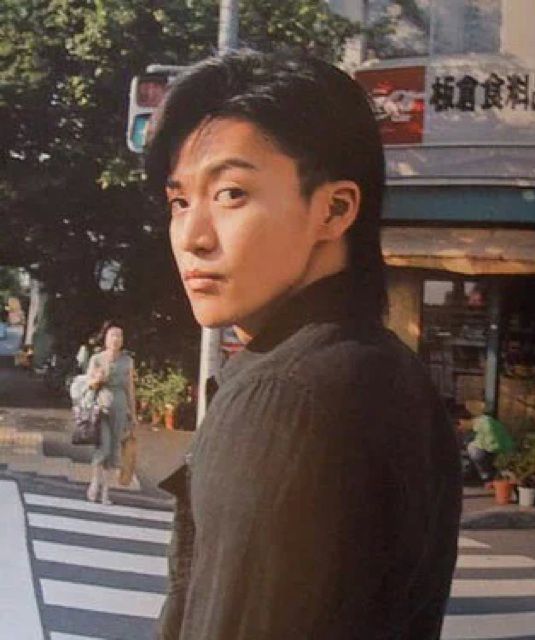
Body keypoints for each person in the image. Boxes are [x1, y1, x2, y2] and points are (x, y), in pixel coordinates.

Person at [146, 51, 462, 640]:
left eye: (231, 193)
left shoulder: (284, 398)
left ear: (334, 210)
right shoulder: (390, 370)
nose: (192, 236)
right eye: (180, 201)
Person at [85, 322, 137, 505]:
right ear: (106, 340)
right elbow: (89, 383)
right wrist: (98, 379)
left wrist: (133, 413)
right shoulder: (97, 359)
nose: (115, 340)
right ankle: (94, 483)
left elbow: (130, 388)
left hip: (120, 408)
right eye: (112, 336)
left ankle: (106, 492)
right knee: (103, 447)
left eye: (119, 337)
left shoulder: (127, 361)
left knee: (114, 450)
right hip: (102, 407)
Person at [463, 400, 513, 483]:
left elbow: (483, 443)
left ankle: (485, 476)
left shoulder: (479, 423)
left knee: (472, 448)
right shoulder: (489, 420)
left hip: (494, 449)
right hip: (502, 449)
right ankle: (491, 474)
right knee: (473, 447)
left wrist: (467, 442)